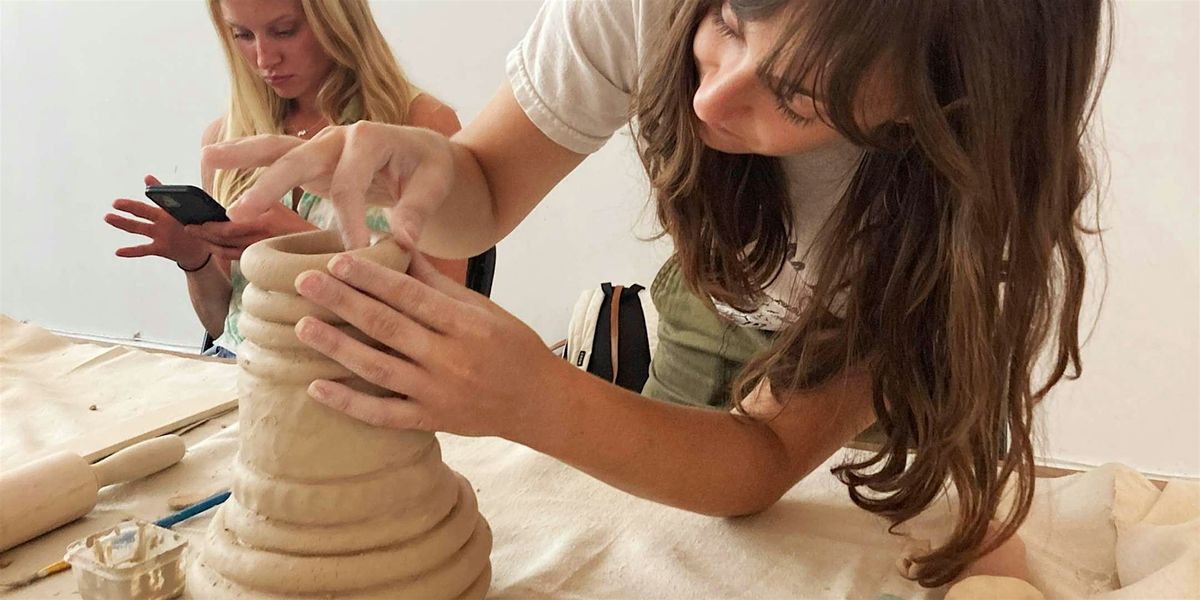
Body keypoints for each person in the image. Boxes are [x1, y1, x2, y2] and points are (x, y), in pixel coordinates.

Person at [204, 0, 1110, 588]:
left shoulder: (964, 190)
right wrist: (421, 169)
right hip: (712, 299)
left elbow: (758, 460)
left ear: (925, 104)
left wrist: (532, 397)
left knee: (969, 560)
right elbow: (476, 198)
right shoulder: (642, 4)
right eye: (732, 17)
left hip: (887, 346)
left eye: (798, 97)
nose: (712, 101)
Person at [103, 0, 464, 357]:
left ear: (336, 21)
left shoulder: (420, 126)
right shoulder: (227, 139)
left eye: (284, 31)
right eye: (242, 34)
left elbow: (442, 323)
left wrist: (305, 247)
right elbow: (227, 331)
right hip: (240, 380)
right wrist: (194, 259)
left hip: (355, 385)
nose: (264, 59)